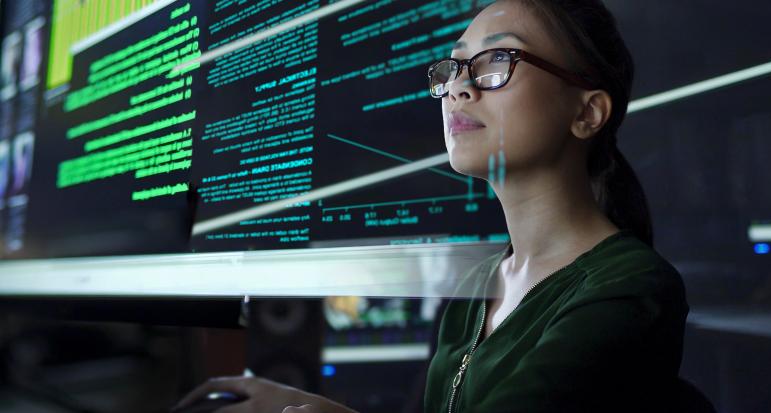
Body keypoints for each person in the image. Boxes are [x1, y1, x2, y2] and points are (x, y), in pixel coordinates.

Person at [172, 0, 688, 412]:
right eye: (454, 66)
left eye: (496, 61)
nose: (457, 88)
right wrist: (297, 403)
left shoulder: (630, 287)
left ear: (588, 111)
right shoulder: (477, 283)